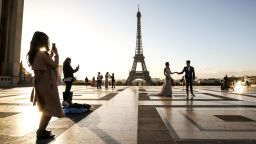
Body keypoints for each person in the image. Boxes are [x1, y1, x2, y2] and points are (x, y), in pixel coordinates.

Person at [27, 31, 64, 139]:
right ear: (42, 41)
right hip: (47, 84)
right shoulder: (43, 54)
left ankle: (42, 130)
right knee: (50, 108)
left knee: (45, 108)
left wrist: (50, 56)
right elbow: (54, 65)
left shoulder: (34, 54)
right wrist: (56, 54)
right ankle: (40, 131)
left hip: (39, 84)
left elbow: (44, 65)